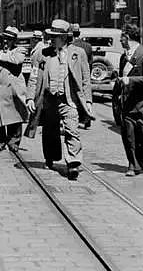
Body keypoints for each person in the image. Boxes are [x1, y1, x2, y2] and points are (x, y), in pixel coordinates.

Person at [26, 19, 93, 180]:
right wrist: (30, 97)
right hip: (49, 100)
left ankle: (73, 164)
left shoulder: (78, 53)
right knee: (49, 132)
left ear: (64, 37)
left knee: (72, 131)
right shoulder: (44, 54)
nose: (51, 39)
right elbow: (34, 77)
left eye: (55, 36)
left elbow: (85, 79)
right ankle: (50, 158)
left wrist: (88, 101)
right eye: (51, 36)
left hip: (69, 100)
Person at [116, 23, 143, 176]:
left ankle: (140, 162)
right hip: (127, 104)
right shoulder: (123, 57)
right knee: (129, 137)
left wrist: (131, 81)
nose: (120, 40)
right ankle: (132, 165)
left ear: (127, 37)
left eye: (121, 37)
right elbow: (121, 79)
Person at [0, 27, 29, 152]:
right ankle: (0, 141)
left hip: (14, 89)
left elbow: (17, 60)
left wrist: (1, 55)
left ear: (14, 41)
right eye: (4, 39)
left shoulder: (20, 50)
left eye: (9, 39)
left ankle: (14, 141)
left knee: (16, 115)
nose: (6, 41)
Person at [70, 23, 93, 129]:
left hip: (74, 75)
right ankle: (87, 120)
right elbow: (90, 62)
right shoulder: (87, 46)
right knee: (84, 96)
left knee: (74, 98)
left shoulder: (70, 46)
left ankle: (76, 120)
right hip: (85, 73)